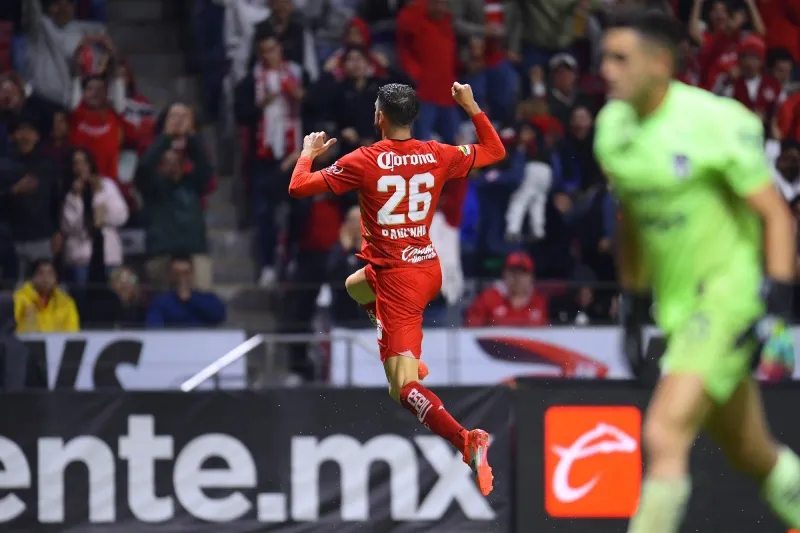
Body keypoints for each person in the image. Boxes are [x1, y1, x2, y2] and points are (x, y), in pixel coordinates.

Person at [594, 8, 800, 533]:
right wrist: (635, 304)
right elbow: (633, 223)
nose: (607, 70)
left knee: (664, 433)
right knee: (752, 452)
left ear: (661, 64)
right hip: (679, 309)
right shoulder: (612, 130)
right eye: (605, 57)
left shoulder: (715, 122)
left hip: (730, 298)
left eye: (621, 58)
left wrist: (774, 309)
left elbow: (776, 216)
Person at [287, 82, 506, 495]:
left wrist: (308, 154)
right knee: (354, 286)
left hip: (397, 282)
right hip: (427, 267)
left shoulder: (364, 160)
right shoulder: (438, 153)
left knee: (401, 388)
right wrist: (472, 106)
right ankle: (403, 346)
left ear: (379, 116)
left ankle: (466, 440)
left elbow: (299, 187)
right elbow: (495, 151)